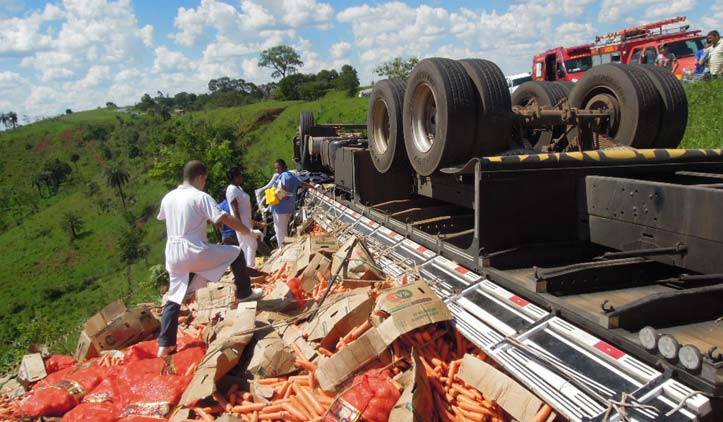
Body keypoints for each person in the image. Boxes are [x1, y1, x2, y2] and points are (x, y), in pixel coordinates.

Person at [156, 160, 260, 357]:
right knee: (236, 252)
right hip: (194, 249)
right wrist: (247, 231)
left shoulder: (168, 197)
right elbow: (224, 218)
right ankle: (245, 293)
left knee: (174, 296)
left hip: (172, 252)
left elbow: (165, 218)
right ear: (201, 177)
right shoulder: (200, 196)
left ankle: (165, 344)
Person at [225, 167, 262, 268]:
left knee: (245, 245)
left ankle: (247, 267)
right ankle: (250, 266)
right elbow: (234, 208)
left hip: (246, 221)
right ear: (235, 177)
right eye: (240, 175)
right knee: (252, 243)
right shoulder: (231, 189)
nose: (242, 177)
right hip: (241, 222)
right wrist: (239, 224)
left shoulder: (238, 188)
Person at [269, 159, 301, 247]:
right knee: (284, 232)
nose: (276, 170)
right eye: (275, 168)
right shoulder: (292, 175)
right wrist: (313, 187)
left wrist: (274, 195)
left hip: (280, 210)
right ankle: (285, 250)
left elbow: (284, 191)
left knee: (280, 233)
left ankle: (282, 252)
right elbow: (302, 183)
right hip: (288, 209)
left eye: (278, 168)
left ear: (284, 167)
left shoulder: (284, 176)